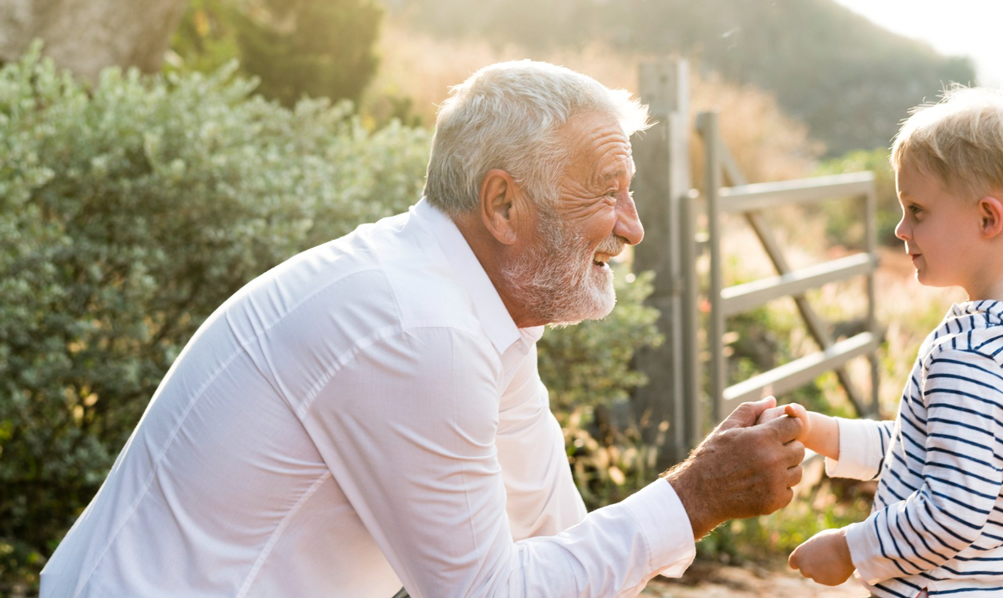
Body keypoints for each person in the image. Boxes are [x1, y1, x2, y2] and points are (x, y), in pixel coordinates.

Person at [39, 61, 808, 598]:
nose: (633, 228)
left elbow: (553, 535)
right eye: (608, 193)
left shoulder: (474, 311)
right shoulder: (420, 330)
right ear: (503, 205)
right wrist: (695, 495)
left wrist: (693, 499)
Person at [762, 87, 1003, 597]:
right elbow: (933, 448)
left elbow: (952, 509)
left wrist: (850, 548)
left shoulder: (970, 355)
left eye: (917, 210)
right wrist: (823, 433)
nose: (901, 229)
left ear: (987, 218)